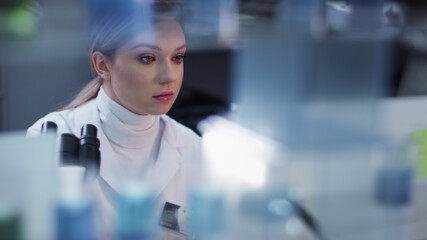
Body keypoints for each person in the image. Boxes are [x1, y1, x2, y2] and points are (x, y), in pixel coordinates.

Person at [27, 0, 200, 238]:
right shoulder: (49, 137)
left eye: (178, 57)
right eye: (148, 58)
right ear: (102, 65)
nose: (169, 76)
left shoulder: (192, 146)